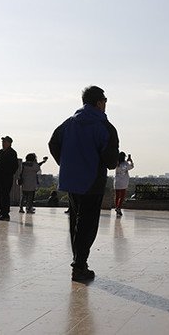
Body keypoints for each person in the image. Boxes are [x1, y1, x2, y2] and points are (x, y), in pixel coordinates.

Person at [49, 85, 119, 281]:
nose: (106, 105)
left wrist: (67, 163)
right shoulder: (105, 127)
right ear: (99, 103)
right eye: (105, 101)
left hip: (71, 180)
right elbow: (112, 162)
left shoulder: (69, 123)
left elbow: (53, 143)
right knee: (87, 225)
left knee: (76, 222)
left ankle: (78, 262)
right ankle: (79, 266)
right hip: (92, 182)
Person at [0, 136, 19, 221]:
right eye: (2, 142)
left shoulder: (12, 153)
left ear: (9, 143)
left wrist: (2, 168)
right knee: (0, 196)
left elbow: (14, 166)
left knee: (5, 196)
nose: (3, 143)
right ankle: (1, 212)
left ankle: (6, 214)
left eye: (4, 142)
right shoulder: (1, 152)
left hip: (7, 177)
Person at [113, 152, 134, 217]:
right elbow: (131, 167)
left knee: (117, 196)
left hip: (117, 181)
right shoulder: (125, 163)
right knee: (122, 196)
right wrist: (130, 160)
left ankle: (117, 207)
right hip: (123, 181)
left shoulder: (117, 163)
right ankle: (118, 207)